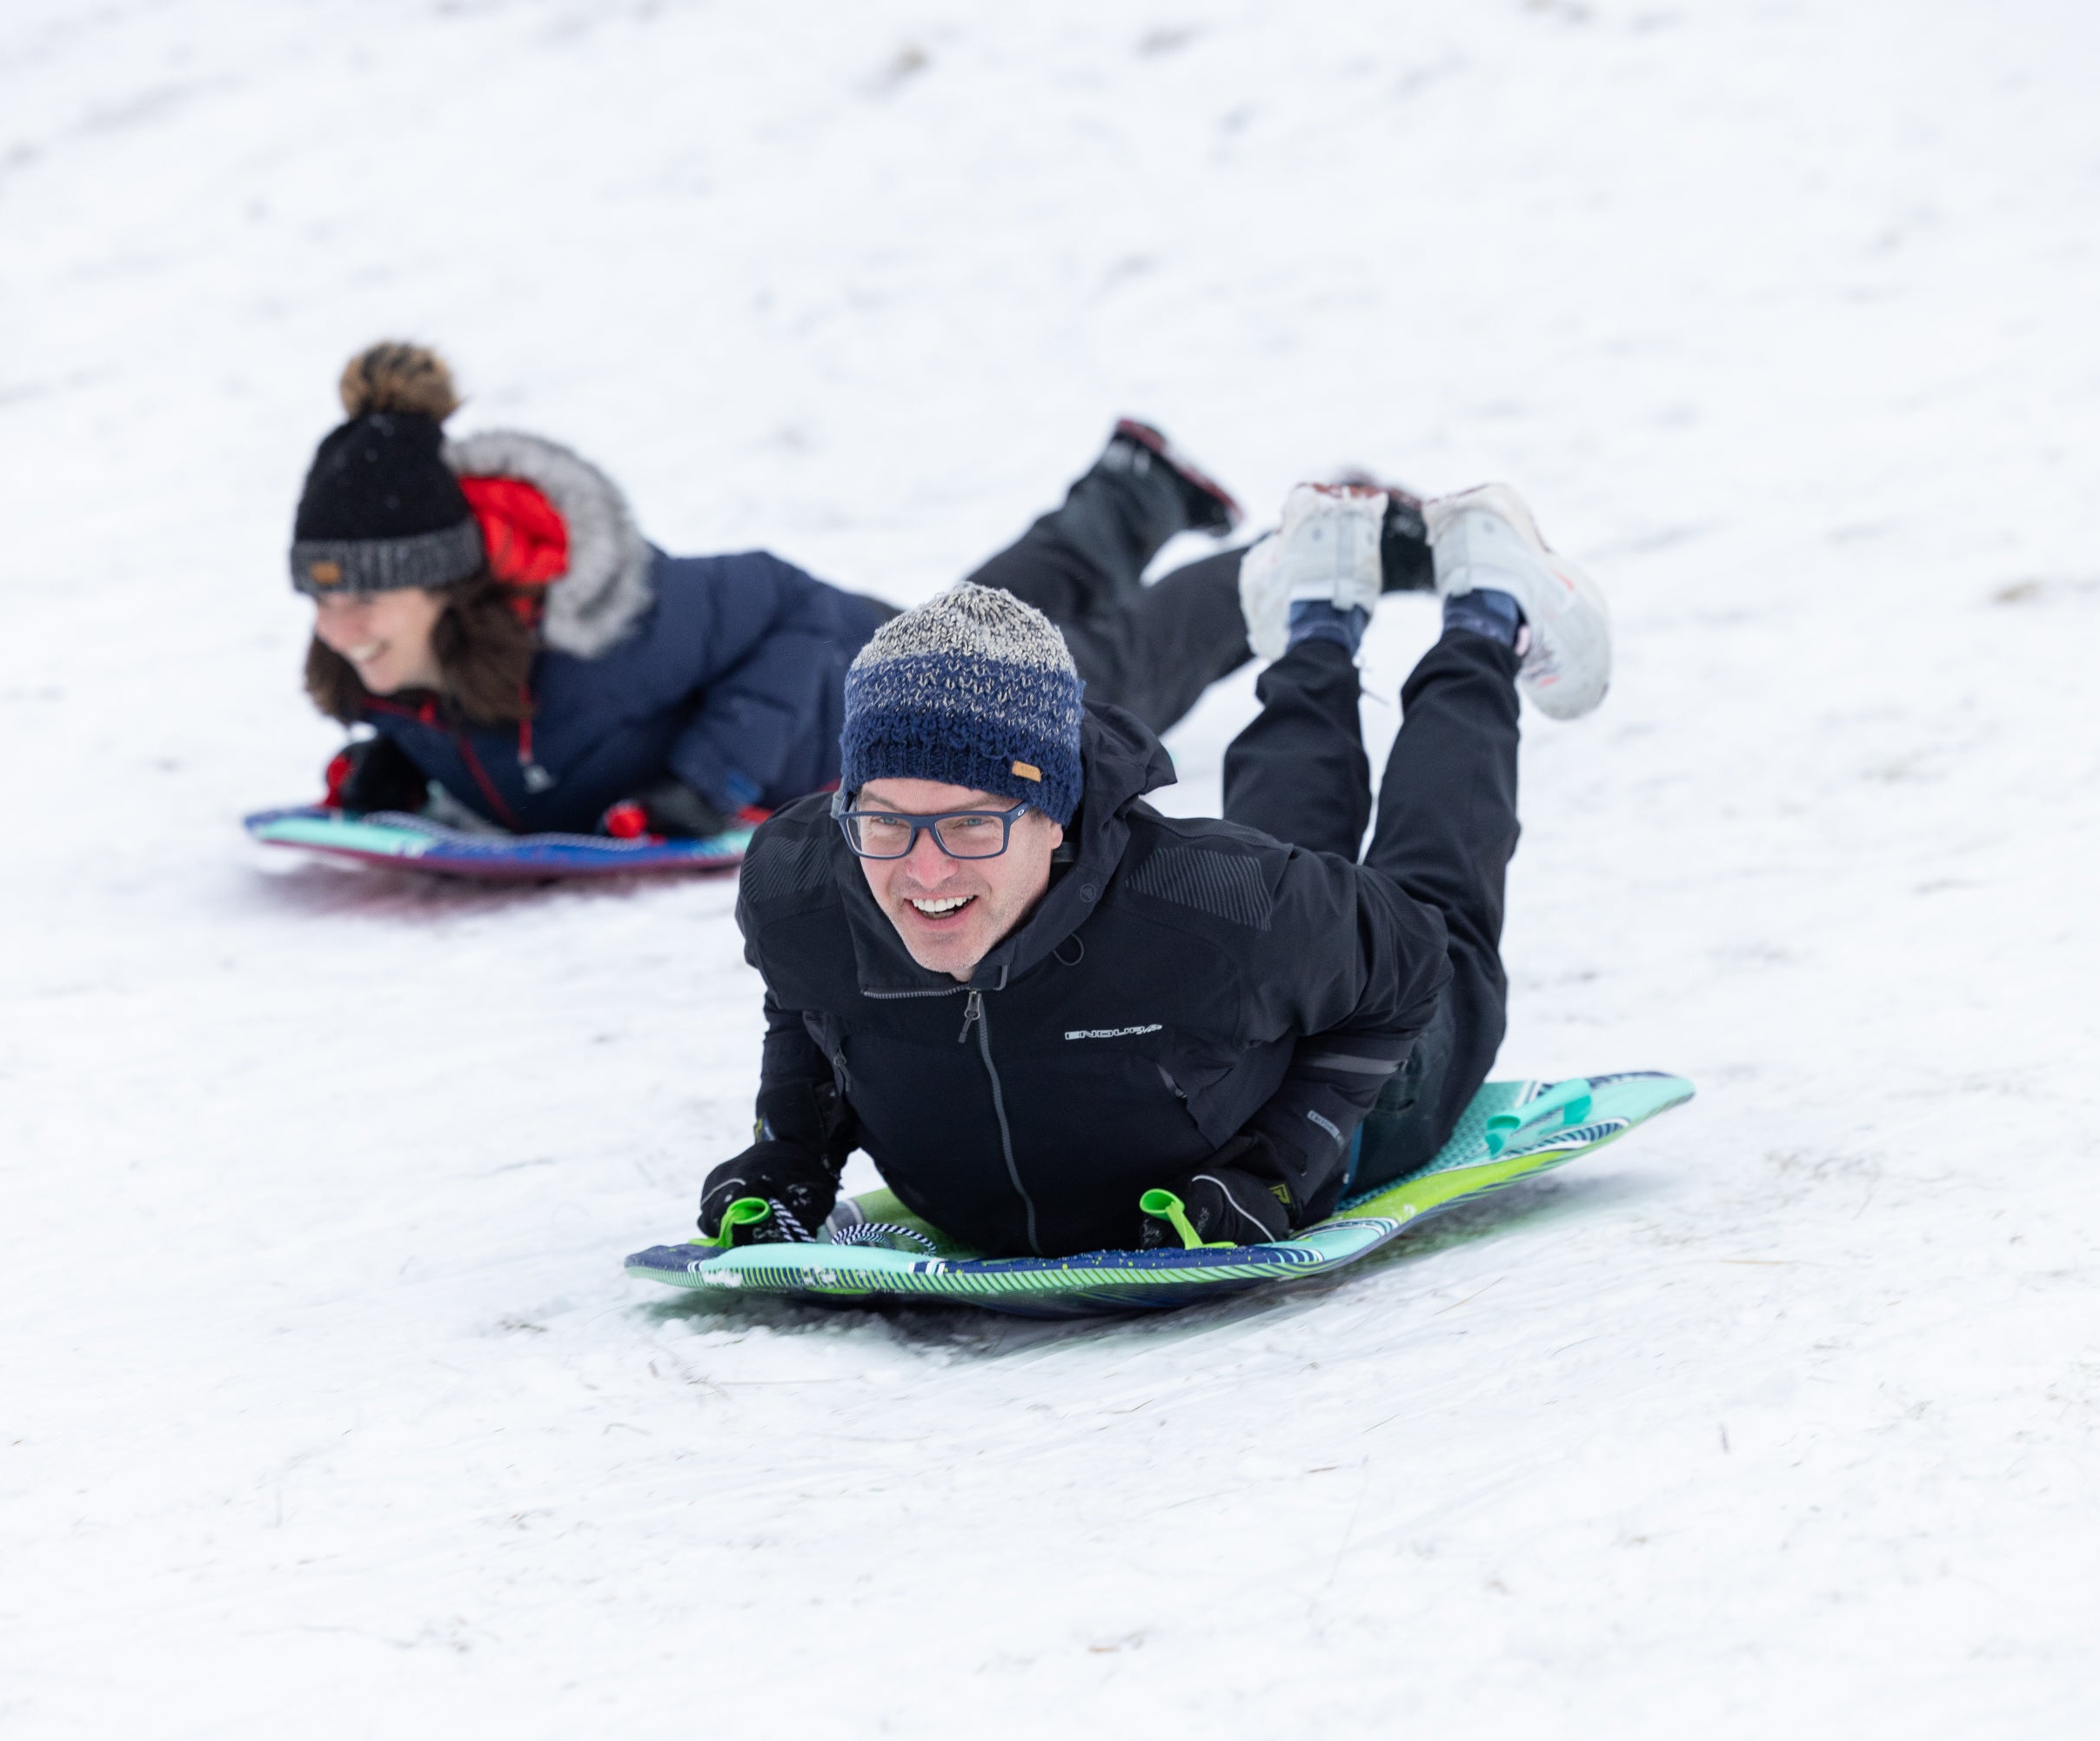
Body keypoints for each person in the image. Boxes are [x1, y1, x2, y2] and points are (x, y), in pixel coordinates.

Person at [700, 474, 1614, 1256]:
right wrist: (792, 1152)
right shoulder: (804, 881)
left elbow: (1407, 960)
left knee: (1425, 897)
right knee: (1284, 903)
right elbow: (809, 998)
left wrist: (1280, 1164)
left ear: (1053, 816)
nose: (925, 873)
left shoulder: (1199, 904)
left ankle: (1486, 613)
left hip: (1384, 1076)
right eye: (888, 824)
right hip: (1257, 962)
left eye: (973, 826)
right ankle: (1319, 616)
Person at [287, 341, 1261, 839]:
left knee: (1098, 688)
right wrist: (402, 769)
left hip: (885, 695)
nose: (341, 627)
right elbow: (500, 743)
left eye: (366, 598)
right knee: (1002, 622)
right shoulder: (398, 672)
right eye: (322, 600)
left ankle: (1297, 567)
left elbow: (782, 605)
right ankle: (1134, 492)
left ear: (450, 591)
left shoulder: (600, 631)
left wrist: (714, 784)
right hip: (876, 673)